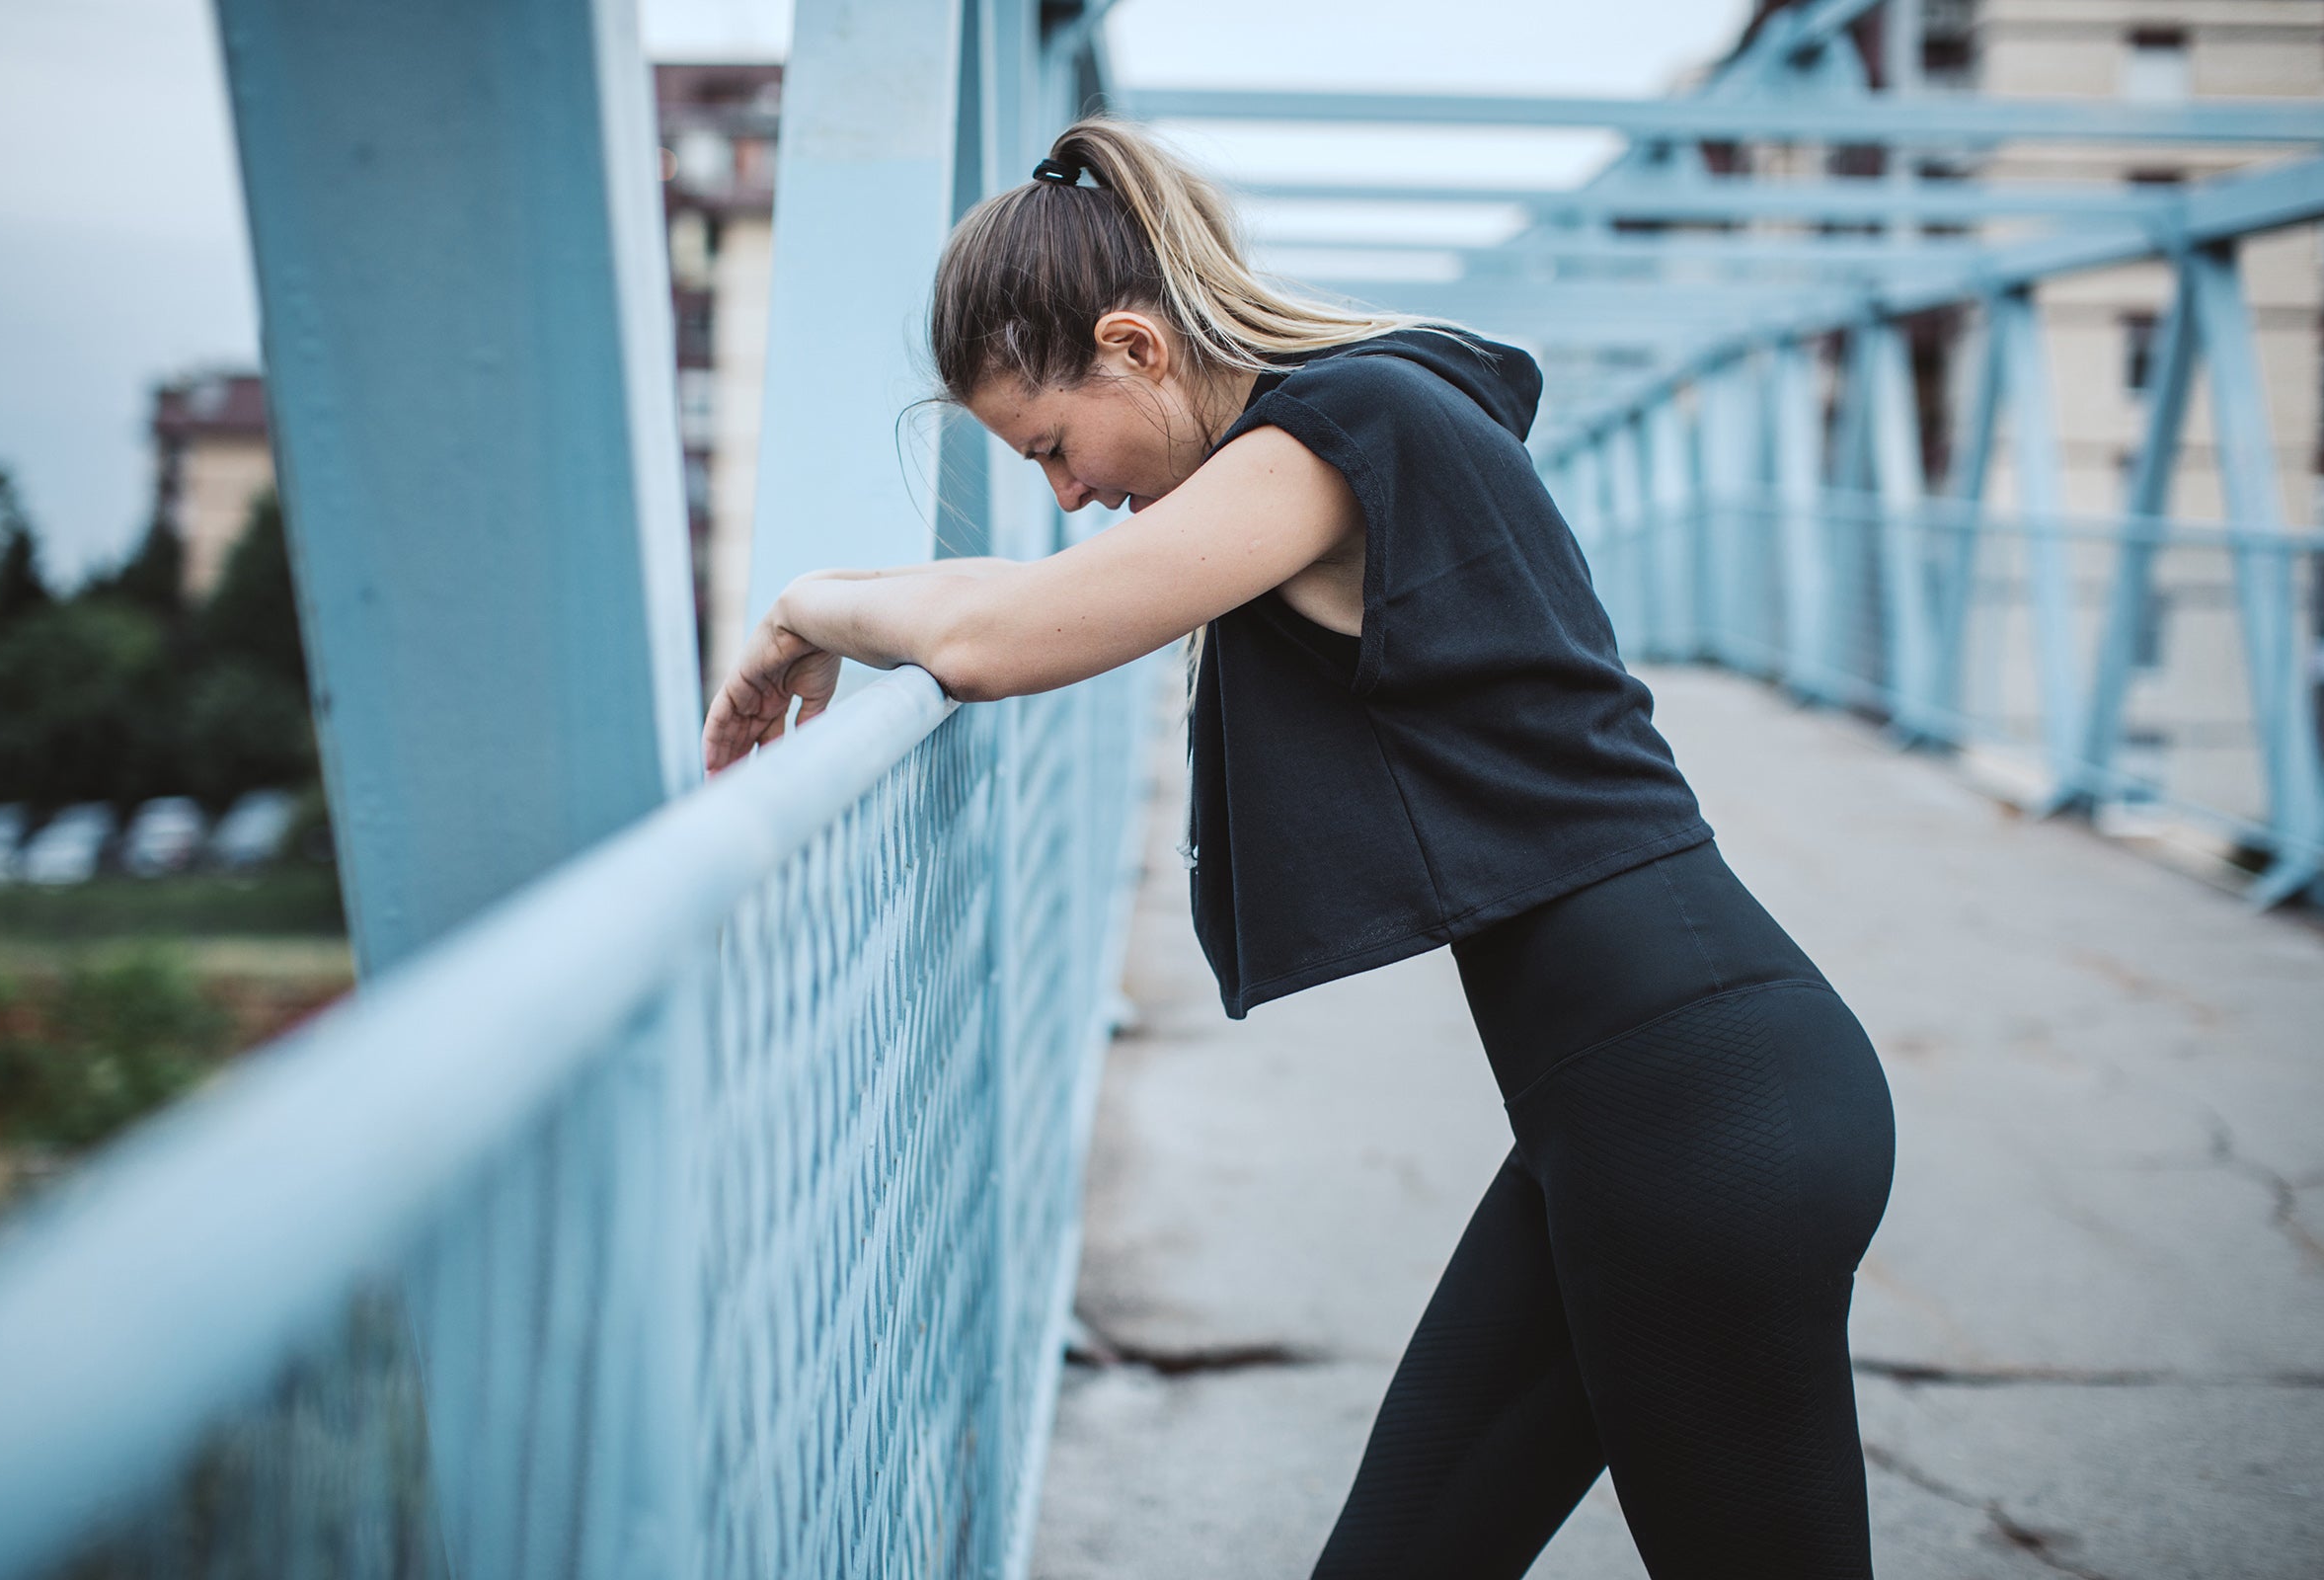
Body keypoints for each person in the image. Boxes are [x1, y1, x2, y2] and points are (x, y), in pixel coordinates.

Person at [702, 116, 1898, 1580]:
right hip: (1641, 1116)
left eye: (1056, 449)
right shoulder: (1346, 432)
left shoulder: (1341, 431)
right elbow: (1006, 593)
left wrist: (802, 607)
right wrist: (829, 605)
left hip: (1701, 1119)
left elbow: (999, 634)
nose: (1069, 497)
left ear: (1135, 348)